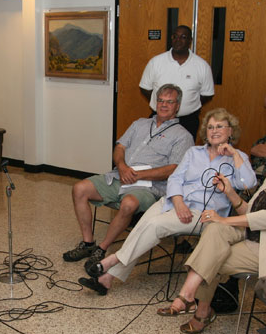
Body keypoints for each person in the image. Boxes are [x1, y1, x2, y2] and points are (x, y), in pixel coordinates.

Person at [78, 108, 256, 295]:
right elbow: (175, 179)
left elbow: (248, 183)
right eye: (210, 127)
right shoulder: (194, 152)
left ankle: (110, 261)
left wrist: (234, 154)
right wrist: (178, 202)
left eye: (220, 126)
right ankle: (107, 278)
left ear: (230, 131)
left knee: (154, 225)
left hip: (204, 214)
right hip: (174, 203)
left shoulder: (238, 159)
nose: (214, 130)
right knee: (142, 228)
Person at [160, 133, 266, 333]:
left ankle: (196, 306)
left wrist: (223, 219)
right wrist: (229, 191)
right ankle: (189, 297)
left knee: (211, 256)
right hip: (251, 237)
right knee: (214, 230)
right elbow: (250, 212)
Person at [63, 83, 193, 269]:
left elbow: (173, 169)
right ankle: (88, 244)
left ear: (177, 106)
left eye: (169, 102)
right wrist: (122, 166)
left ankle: (102, 248)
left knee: (129, 203)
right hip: (120, 176)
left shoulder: (182, 136)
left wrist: (139, 175)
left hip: (149, 186)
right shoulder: (139, 124)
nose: (164, 105)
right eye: (161, 101)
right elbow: (120, 147)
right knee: (79, 189)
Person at [139, 25, 215, 139]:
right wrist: (162, 103)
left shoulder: (202, 66)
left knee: (185, 155)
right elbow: (145, 87)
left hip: (187, 121)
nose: (178, 40)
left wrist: (188, 104)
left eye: (183, 37)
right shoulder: (156, 62)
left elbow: (207, 94)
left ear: (190, 40)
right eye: (175, 36)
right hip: (159, 118)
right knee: (154, 152)